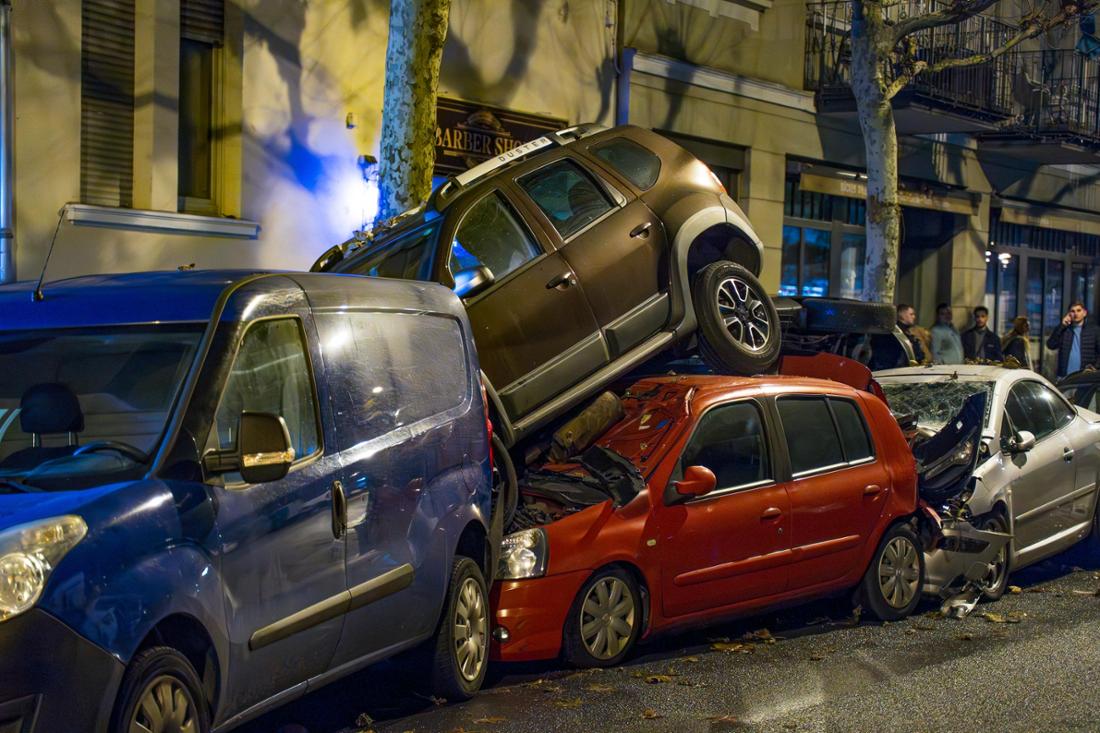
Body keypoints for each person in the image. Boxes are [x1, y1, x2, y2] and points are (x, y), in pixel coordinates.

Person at [1046, 301, 1100, 378]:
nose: (1076, 314)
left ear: (1084, 313)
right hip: (1064, 377)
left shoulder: (1094, 331)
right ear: (1069, 314)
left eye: (1078, 310)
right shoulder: (1065, 330)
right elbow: (1051, 345)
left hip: (1085, 376)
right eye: (1073, 311)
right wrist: (1062, 325)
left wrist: (1095, 368)